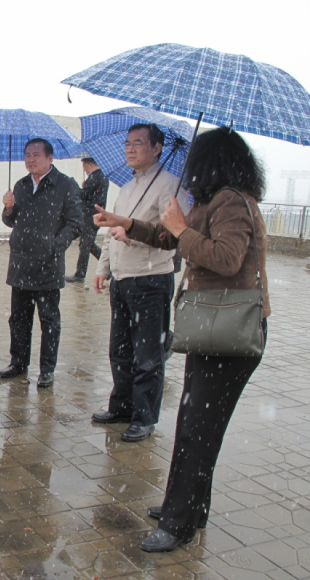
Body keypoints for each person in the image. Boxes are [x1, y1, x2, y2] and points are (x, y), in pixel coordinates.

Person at [93, 127, 269, 552]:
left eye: (196, 161)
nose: (189, 170)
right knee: (199, 424)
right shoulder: (213, 202)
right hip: (213, 328)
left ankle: (179, 522)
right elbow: (167, 237)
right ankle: (192, 506)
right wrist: (127, 223)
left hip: (229, 331)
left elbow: (226, 259)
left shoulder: (232, 202)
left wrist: (181, 229)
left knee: (196, 428)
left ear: (212, 162)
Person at [91, 124, 189, 442]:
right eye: (127, 143)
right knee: (119, 350)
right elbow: (111, 231)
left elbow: (172, 237)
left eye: (139, 143)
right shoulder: (127, 187)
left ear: (157, 147)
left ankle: (144, 417)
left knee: (147, 355)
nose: (130, 149)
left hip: (151, 280)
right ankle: (122, 406)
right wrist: (103, 268)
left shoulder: (170, 185)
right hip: (122, 279)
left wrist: (131, 232)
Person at [0, 138, 82, 388]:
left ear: (50, 158)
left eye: (36, 155)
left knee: (49, 320)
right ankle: (18, 362)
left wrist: (55, 245)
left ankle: (47, 369)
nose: (30, 160)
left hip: (48, 265)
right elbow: (11, 221)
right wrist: (8, 208)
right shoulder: (21, 185)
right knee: (18, 319)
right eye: (27, 155)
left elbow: (75, 223)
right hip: (20, 263)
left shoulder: (65, 185)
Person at [66, 157, 109, 283]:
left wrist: (74, 185)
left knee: (85, 245)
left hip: (90, 216)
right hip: (95, 215)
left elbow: (83, 195)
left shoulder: (95, 177)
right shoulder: (102, 176)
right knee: (88, 244)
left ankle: (80, 275)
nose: (84, 170)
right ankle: (109, 267)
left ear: (89, 164)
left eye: (84, 166)